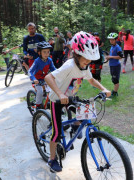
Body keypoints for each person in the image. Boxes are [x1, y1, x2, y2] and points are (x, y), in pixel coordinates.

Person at [44, 31, 111, 172]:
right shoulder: (69, 66)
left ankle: (76, 125)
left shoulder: (84, 66)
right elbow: (48, 78)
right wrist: (60, 93)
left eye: (90, 59)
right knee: (56, 132)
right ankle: (51, 159)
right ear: (77, 55)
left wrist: (104, 89)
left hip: (70, 98)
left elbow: (91, 80)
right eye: (86, 59)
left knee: (85, 112)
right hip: (57, 99)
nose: (89, 62)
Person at [29, 41, 56, 109]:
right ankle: (38, 105)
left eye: (48, 52)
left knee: (52, 90)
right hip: (37, 80)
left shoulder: (49, 60)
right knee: (40, 92)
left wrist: (60, 74)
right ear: (39, 52)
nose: (46, 54)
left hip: (45, 79)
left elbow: (54, 69)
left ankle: (50, 104)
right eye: (44, 52)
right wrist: (34, 79)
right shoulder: (37, 61)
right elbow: (30, 71)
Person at [105, 33, 123, 98]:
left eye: (112, 40)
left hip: (116, 66)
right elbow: (111, 56)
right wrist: (108, 57)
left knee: (115, 80)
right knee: (113, 79)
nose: (111, 41)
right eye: (110, 40)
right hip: (112, 65)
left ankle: (115, 93)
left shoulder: (117, 47)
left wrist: (110, 57)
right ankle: (115, 92)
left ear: (115, 40)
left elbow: (121, 56)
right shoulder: (112, 46)